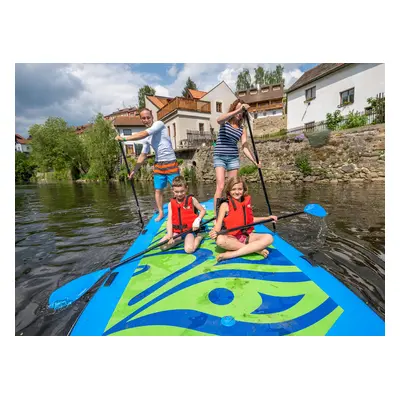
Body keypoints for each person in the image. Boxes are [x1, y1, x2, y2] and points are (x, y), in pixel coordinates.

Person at [115, 108, 179, 222]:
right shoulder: (147, 138)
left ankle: (182, 209)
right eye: (143, 118)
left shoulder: (159, 124)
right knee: (158, 190)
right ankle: (161, 212)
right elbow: (143, 155)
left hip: (171, 162)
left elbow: (144, 133)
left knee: (177, 188)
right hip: (158, 165)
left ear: (152, 117)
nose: (146, 120)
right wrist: (134, 171)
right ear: (141, 120)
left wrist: (124, 138)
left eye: (148, 117)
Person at [209, 176, 277, 262]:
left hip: (246, 236)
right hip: (231, 238)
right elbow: (217, 227)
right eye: (233, 189)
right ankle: (256, 249)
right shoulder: (225, 205)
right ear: (229, 191)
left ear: (244, 189)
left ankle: (232, 254)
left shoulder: (245, 203)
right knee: (220, 240)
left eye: (239, 189)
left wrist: (268, 218)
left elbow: (250, 220)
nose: (237, 192)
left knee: (269, 238)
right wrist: (214, 232)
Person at [213, 99, 261, 213]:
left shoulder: (242, 128)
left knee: (232, 187)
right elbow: (218, 120)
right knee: (220, 186)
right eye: (238, 109)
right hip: (219, 156)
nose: (240, 113)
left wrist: (255, 162)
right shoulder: (226, 121)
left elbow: (245, 147)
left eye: (242, 111)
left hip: (233, 159)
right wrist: (239, 109)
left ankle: (231, 212)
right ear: (234, 109)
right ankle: (216, 215)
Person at [160, 176, 206, 254]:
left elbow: (202, 210)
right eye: (177, 192)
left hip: (189, 231)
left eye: (182, 191)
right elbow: (170, 221)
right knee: (162, 246)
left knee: (189, 250)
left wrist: (197, 220)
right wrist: (170, 235)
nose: (180, 194)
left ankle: (199, 237)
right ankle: (180, 239)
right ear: (173, 191)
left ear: (186, 189)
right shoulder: (171, 204)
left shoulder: (192, 200)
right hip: (177, 232)